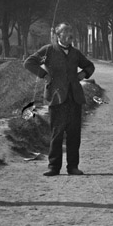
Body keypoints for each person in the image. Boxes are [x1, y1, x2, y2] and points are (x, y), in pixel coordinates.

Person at [24, 23, 95, 177]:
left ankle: (73, 167)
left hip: (74, 98)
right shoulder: (48, 50)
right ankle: (53, 167)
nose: (70, 35)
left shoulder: (76, 53)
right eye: (66, 32)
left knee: (74, 134)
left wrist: (83, 74)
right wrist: (44, 75)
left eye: (71, 32)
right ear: (58, 35)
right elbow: (29, 62)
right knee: (57, 134)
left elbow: (90, 66)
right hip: (56, 99)